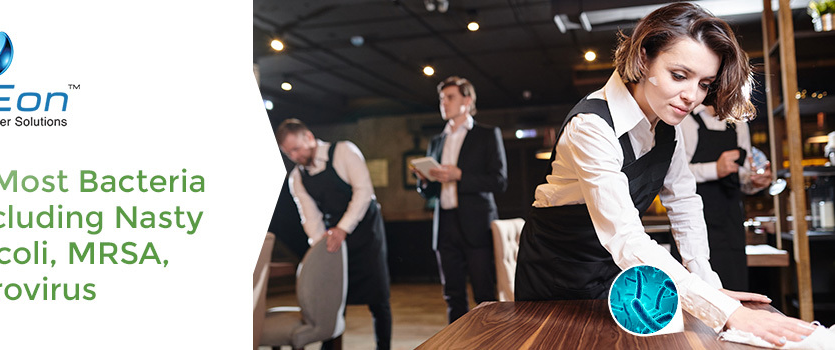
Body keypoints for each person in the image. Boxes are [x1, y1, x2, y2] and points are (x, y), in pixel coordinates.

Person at [512, 2, 815, 346]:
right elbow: (626, 238)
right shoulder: (591, 127)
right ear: (644, 59)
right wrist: (726, 311)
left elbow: (684, 202)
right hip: (557, 274)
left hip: (618, 274)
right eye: (679, 75)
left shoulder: (668, 129)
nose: (692, 97)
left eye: (704, 83)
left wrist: (710, 286)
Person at [276, 118, 392, 350]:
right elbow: (309, 216)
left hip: (366, 232)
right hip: (334, 239)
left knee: (378, 299)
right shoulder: (296, 178)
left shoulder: (344, 151)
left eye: (296, 149)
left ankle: (384, 347)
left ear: (309, 137)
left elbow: (364, 192)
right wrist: (321, 246)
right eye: (288, 153)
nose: (295, 157)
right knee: (333, 300)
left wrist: (343, 229)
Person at [413, 76, 507, 323]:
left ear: (467, 100)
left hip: (476, 224)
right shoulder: (436, 141)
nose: (444, 103)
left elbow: (499, 181)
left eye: (450, 97)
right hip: (444, 225)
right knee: (452, 295)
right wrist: (424, 180)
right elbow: (430, 192)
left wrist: (459, 175)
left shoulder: (487, 135)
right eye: (442, 98)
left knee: (484, 294)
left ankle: (490, 342)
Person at [679, 104, 774, 290]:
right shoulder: (684, 120)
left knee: (734, 290)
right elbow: (674, 174)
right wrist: (715, 169)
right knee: (694, 296)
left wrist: (755, 181)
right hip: (692, 226)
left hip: (731, 227)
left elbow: (742, 176)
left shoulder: (738, 124)